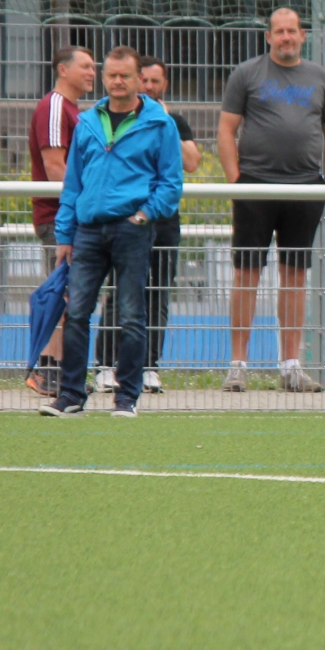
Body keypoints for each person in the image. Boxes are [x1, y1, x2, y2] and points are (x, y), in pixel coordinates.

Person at [39, 46, 185, 418]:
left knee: (132, 315)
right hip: (88, 231)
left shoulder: (160, 123)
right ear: (104, 78)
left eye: (125, 75)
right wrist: (65, 234)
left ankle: (126, 398)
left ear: (139, 79)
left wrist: (144, 216)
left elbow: (171, 183)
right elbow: (72, 184)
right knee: (76, 313)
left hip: (132, 230)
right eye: (111, 75)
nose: (117, 81)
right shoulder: (88, 121)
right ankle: (71, 395)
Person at [218, 7, 325, 393]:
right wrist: (236, 181)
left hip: (304, 188)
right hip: (254, 187)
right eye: (279, 31)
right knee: (247, 274)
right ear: (269, 37)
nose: (286, 37)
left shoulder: (319, 77)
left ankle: (291, 366)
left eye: (292, 31)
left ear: (302, 35)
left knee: (294, 275)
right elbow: (226, 129)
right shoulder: (246, 74)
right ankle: (238, 365)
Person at [93, 56, 201, 395]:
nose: (150, 87)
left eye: (157, 81)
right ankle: (106, 365)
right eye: (146, 80)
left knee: (158, 293)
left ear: (164, 84)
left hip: (164, 221)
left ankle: (149, 366)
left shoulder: (173, 121)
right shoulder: (121, 119)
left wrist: (166, 122)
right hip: (126, 219)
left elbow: (192, 163)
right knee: (120, 291)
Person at [24, 44, 97, 396]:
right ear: (62, 69)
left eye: (94, 67)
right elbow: (55, 167)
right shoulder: (55, 106)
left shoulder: (72, 110)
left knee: (73, 294)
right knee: (63, 294)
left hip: (67, 216)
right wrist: (87, 206)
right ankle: (48, 370)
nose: (93, 73)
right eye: (86, 66)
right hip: (59, 218)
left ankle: (62, 372)